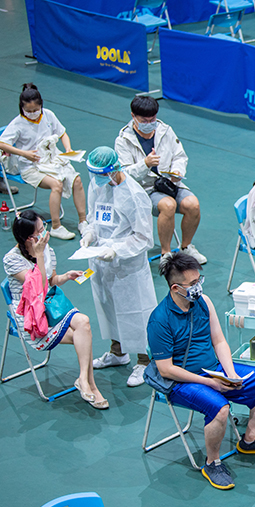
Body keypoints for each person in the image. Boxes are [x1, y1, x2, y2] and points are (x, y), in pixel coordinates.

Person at [147, 253, 255, 490]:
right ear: (176, 287)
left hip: (215, 371)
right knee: (221, 409)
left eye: (200, 280)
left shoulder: (204, 302)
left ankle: (250, 439)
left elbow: (219, 341)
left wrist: (230, 374)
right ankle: (212, 463)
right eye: (193, 284)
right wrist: (209, 383)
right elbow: (166, 369)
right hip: (182, 382)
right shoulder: (159, 320)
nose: (198, 287)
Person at [4, 210, 107, 408]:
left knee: (83, 323)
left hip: (51, 304)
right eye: (41, 231)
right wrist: (40, 256)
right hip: (30, 313)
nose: (46, 234)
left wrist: (65, 276)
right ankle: (90, 385)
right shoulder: (12, 259)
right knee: (83, 332)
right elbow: (38, 287)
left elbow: (51, 281)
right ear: (29, 238)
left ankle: (85, 382)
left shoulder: (46, 249)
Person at [81, 147, 158, 388]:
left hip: (127, 266)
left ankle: (145, 361)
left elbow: (144, 238)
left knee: (134, 313)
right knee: (108, 308)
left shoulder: (134, 195)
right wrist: (90, 233)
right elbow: (95, 217)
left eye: (101, 174)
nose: (97, 180)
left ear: (114, 170)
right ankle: (117, 352)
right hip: (100, 260)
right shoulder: (98, 184)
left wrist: (117, 250)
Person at [115, 95, 207, 264]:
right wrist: (145, 164)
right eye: (144, 120)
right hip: (144, 189)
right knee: (168, 205)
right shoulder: (123, 140)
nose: (149, 123)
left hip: (169, 183)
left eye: (153, 119)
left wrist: (177, 171)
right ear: (133, 116)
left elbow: (179, 155)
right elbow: (124, 174)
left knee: (193, 204)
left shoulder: (165, 130)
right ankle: (166, 254)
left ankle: (186, 247)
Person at [0, 84, 87, 240]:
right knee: (57, 184)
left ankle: (83, 221)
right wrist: (24, 154)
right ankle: (56, 227)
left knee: (77, 180)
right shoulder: (17, 124)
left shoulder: (48, 115)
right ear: (22, 108)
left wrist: (68, 149)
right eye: (29, 111)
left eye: (36, 110)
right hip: (29, 166)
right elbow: (2, 143)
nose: (33, 114)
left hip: (51, 159)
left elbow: (63, 133)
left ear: (41, 105)